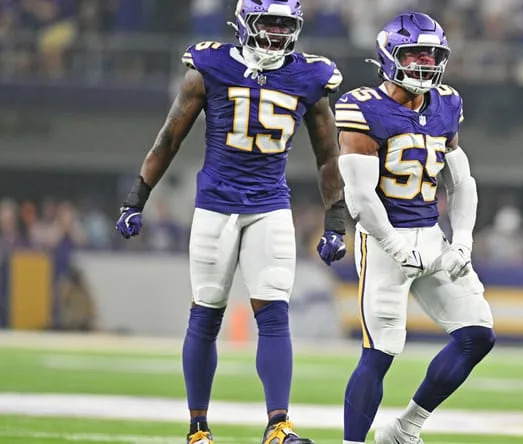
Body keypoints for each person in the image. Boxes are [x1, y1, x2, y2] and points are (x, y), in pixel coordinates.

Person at [114, 1, 348, 443]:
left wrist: (336, 220)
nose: (277, 34)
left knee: (275, 314)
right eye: (269, 23)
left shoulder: (309, 76)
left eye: (286, 25)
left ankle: (278, 425)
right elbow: (170, 137)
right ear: (244, 23)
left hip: (270, 205)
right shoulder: (210, 66)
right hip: (216, 205)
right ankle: (198, 429)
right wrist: (136, 198)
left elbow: (327, 156)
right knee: (205, 315)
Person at [336, 12, 496, 444]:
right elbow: (360, 196)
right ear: (389, 56)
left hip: (432, 236)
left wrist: (462, 242)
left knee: (478, 335)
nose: (424, 62)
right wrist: (392, 243)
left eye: (432, 54)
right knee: (380, 352)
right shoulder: (362, 107)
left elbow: (461, 182)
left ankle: (405, 429)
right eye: (415, 53)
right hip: (385, 241)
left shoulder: (446, 103)